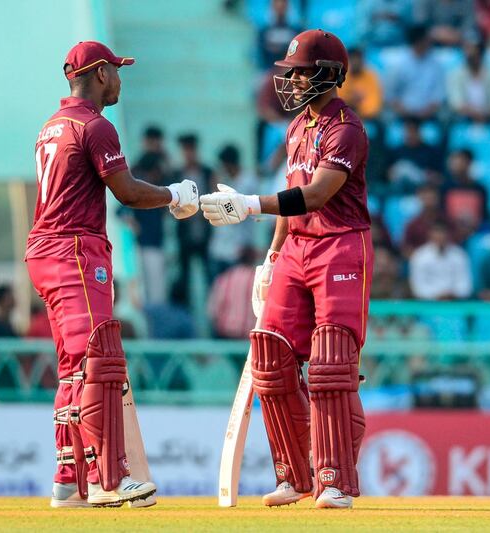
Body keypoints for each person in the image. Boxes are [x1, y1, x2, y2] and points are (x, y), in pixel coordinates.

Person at [200, 30, 373, 509]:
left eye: (303, 70)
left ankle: (334, 479)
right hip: (295, 246)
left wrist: (249, 205)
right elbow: (293, 202)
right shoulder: (297, 127)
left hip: (340, 246)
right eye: (291, 70)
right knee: (271, 357)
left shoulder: (346, 129)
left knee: (332, 362)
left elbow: (317, 194)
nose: (293, 79)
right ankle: (294, 475)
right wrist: (271, 258)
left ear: (332, 74)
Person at [25, 41, 199, 509]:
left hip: (46, 251)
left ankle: (68, 479)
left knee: (73, 368)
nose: (120, 79)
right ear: (100, 74)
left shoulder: (51, 126)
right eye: (117, 71)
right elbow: (127, 193)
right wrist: (175, 195)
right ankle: (109, 478)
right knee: (98, 363)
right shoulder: (94, 125)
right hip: (75, 250)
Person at [120, 153, 168, 305]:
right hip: (144, 245)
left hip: (153, 243)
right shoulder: (143, 191)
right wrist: (133, 223)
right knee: (151, 292)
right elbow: (120, 211)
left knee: (155, 291)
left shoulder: (155, 188)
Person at [172, 133, 214, 305]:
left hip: (205, 231)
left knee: (209, 275)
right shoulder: (177, 173)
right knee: (185, 276)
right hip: (185, 232)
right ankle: (186, 310)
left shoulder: (207, 172)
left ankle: (213, 309)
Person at [208, 145, 256, 277]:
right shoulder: (225, 180)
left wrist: (216, 193)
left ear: (229, 164)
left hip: (239, 248)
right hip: (219, 248)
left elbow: (234, 211)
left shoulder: (248, 182)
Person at [386, 25, 445, 121]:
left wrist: (425, 113)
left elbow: (438, 95)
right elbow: (390, 94)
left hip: (429, 116)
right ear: (419, 41)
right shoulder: (399, 64)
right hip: (402, 116)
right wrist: (405, 113)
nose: (430, 42)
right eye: (427, 39)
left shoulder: (435, 64)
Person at [447, 40, 490, 123]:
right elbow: (456, 104)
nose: (469, 54)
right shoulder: (456, 74)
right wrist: (474, 114)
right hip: (464, 118)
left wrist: (486, 114)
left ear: (480, 53)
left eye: (473, 52)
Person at [409, 222, 472, 300]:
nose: (440, 237)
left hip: (455, 303)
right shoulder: (419, 256)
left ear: (449, 235)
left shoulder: (459, 255)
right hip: (428, 304)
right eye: (437, 233)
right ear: (430, 235)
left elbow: (465, 286)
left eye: (443, 233)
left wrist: (452, 294)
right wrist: (437, 295)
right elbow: (418, 288)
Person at [384, 118, 445, 195]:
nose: (410, 134)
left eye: (413, 131)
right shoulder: (395, 152)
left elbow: (440, 179)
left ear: (419, 132)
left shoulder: (432, 152)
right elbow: (386, 176)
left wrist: (420, 175)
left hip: (424, 191)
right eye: (408, 131)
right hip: (399, 191)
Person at [207, 247, 258, 338]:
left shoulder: (224, 278)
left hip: (225, 336)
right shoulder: (258, 279)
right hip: (249, 338)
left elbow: (213, 311)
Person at [441, 149, 489, 243]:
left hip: (476, 233)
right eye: (454, 161)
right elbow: (443, 214)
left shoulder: (480, 189)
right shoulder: (446, 188)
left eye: (460, 161)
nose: (456, 164)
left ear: (469, 163)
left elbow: (483, 216)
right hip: (451, 234)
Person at [402, 184, 452, 256]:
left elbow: (454, 244)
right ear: (419, 197)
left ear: (438, 197)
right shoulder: (413, 225)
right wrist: (420, 258)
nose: (429, 199)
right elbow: (406, 247)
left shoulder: (447, 221)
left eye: (431, 196)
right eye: (425, 196)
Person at [337, 48, 384, 120]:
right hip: (345, 116)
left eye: (358, 59)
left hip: (367, 118)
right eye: (353, 59)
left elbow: (374, 104)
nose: (356, 62)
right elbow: (338, 99)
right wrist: (351, 100)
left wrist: (359, 111)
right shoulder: (342, 76)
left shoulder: (371, 76)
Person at [257, 0, 302, 68]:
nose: (280, 6)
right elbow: (260, 56)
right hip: (268, 71)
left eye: (283, 3)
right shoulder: (263, 31)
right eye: (276, 3)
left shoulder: (297, 31)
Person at [414, 0, 478, 46]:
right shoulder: (425, 1)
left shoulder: (467, 2)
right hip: (429, 47)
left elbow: (469, 25)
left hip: (459, 46)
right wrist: (437, 33)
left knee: (473, 37)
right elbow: (420, 25)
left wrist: (455, 34)